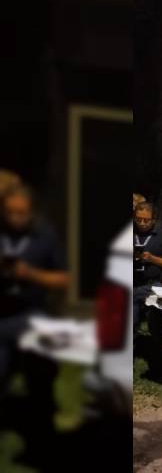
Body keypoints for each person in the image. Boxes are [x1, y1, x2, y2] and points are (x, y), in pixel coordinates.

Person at [0, 184, 69, 454]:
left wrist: (29, 274)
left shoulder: (45, 237)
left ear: (31, 212)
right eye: (10, 212)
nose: (16, 218)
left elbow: (63, 279)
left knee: (41, 373)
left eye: (21, 213)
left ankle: (42, 436)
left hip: (31, 313)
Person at [132, 202, 162, 367]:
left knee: (156, 317)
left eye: (146, 220)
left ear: (153, 219)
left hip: (152, 285)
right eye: (138, 219)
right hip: (132, 285)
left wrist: (153, 259)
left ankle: (161, 356)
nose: (142, 223)